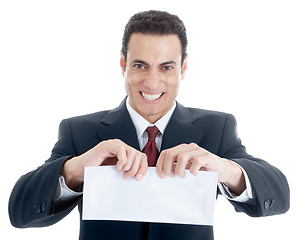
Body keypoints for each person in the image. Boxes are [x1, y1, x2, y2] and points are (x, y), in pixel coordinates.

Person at [9, 10, 290, 240]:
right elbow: (19, 212)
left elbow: (280, 195)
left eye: (166, 67)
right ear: (123, 64)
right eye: (140, 66)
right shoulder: (79, 131)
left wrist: (226, 169)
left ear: (183, 67)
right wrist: (73, 170)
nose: (153, 82)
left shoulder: (217, 128)